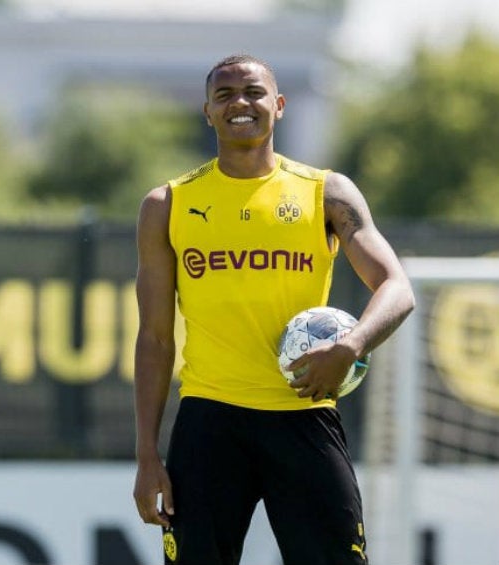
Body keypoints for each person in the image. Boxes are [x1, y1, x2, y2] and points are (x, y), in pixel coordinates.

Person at [132, 53, 415, 564]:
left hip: (304, 416)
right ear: (208, 112)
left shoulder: (327, 193)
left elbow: (396, 287)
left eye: (254, 93)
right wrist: (146, 453)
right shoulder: (166, 205)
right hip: (209, 424)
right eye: (225, 95)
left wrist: (351, 346)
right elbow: (153, 337)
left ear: (279, 105)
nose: (240, 103)